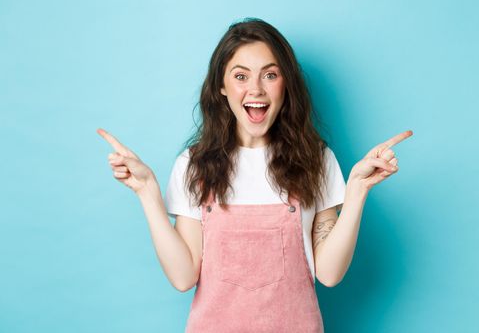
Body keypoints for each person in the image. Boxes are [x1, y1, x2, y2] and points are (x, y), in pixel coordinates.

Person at [97, 17, 413, 333]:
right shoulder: (194, 165)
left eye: (270, 75)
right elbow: (183, 277)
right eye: (240, 76)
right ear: (221, 86)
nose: (256, 89)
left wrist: (356, 191)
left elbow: (329, 274)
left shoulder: (316, 160)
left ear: (286, 84)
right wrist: (147, 192)